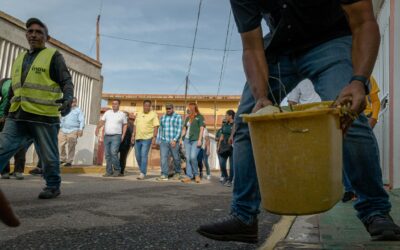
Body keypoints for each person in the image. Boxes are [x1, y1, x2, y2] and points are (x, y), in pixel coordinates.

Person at [197, 0, 400, 243]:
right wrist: (261, 96)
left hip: (330, 40)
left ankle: (376, 211)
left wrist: (359, 80)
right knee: (247, 122)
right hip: (280, 48)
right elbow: (251, 47)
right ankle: (243, 217)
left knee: (347, 116)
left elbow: (364, 20)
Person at [0, 18, 74, 199]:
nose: (33, 34)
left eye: (38, 32)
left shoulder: (53, 56)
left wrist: (68, 99)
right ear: (26, 35)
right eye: (30, 31)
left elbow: (66, 81)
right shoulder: (19, 59)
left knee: (48, 156)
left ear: (46, 37)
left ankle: (53, 186)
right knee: (2, 148)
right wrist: (5, 112)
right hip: (17, 115)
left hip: (43, 116)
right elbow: (13, 89)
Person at [342, 75, 381, 202]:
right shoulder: (337, 74)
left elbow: (375, 101)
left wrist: (373, 119)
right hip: (345, 118)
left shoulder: (366, 76)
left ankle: (375, 191)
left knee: (370, 155)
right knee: (344, 155)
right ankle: (350, 190)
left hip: (365, 117)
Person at [0, 78, 27, 180]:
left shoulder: (23, 81)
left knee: (15, 144)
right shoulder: (5, 82)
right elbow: (7, 100)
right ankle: (10, 171)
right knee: (8, 144)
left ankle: (14, 171)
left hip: (16, 116)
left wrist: (5, 115)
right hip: (9, 116)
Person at [95, 99, 127, 177]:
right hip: (107, 136)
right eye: (113, 104)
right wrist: (97, 128)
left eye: (116, 104)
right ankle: (109, 171)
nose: (114, 105)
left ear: (119, 105)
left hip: (116, 136)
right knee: (107, 154)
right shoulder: (107, 113)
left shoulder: (122, 114)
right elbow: (102, 121)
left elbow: (125, 125)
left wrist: (123, 135)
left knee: (113, 152)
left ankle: (117, 170)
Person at [133, 100, 159, 180]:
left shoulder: (153, 114)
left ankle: (142, 173)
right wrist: (132, 136)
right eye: (145, 105)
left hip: (147, 138)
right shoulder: (139, 113)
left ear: (150, 106)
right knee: (137, 155)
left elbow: (156, 126)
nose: (146, 107)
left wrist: (154, 138)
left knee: (144, 155)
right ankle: (142, 170)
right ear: (143, 106)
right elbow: (135, 125)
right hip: (138, 137)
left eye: (148, 105)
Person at [156, 103, 182, 181]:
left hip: (173, 141)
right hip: (164, 141)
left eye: (170, 108)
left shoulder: (178, 117)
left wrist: (175, 140)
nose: (168, 110)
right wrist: (158, 140)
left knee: (176, 158)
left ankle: (177, 173)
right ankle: (164, 174)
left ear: (173, 108)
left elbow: (179, 129)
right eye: (167, 109)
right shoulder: (163, 117)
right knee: (163, 158)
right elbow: (160, 129)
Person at [181, 103, 205, 184]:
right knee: (188, 158)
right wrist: (181, 138)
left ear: (194, 108)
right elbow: (184, 129)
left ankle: (196, 175)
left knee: (193, 157)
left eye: (190, 108)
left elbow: (202, 129)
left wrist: (199, 140)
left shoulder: (200, 117)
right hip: (187, 140)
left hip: (195, 140)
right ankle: (189, 176)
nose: (188, 110)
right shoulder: (187, 118)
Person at [58, 97, 85, 167]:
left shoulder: (78, 110)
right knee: (61, 145)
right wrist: (59, 127)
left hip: (73, 130)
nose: (73, 103)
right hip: (63, 129)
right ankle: (62, 159)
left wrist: (81, 129)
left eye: (74, 102)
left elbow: (81, 120)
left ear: (76, 102)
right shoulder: (65, 109)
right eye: (72, 102)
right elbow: (61, 119)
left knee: (71, 146)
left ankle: (69, 161)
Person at [218, 110, 235, 187]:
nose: (225, 117)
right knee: (222, 163)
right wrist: (218, 147)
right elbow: (221, 136)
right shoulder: (224, 125)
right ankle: (226, 176)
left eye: (226, 115)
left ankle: (230, 180)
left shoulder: (236, 124)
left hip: (232, 147)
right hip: (224, 146)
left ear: (230, 116)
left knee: (232, 165)